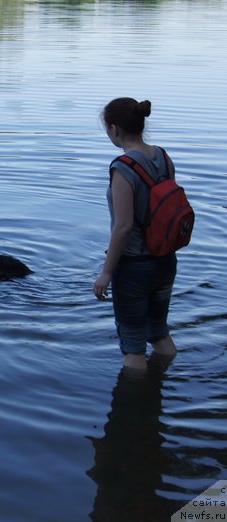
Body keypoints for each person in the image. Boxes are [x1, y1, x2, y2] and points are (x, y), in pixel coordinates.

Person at [93, 97, 178, 371]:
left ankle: (136, 409)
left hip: (134, 268)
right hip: (165, 262)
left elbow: (123, 227)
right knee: (159, 334)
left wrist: (107, 272)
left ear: (114, 129)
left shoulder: (123, 168)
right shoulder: (163, 157)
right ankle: (166, 382)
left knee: (133, 350)